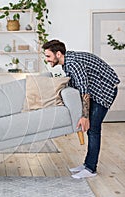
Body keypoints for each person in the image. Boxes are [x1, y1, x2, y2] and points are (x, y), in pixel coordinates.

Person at [42, 40, 120, 179]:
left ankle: (90, 169)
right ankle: (87, 164)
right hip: (95, 89)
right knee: (91, 129)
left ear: (58, 54)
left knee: (93, 129)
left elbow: (84, 91)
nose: (46, 59)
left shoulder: (74, 64)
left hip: (105, 90)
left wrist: (84, 117)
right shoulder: (66, 62)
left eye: (48, 56)